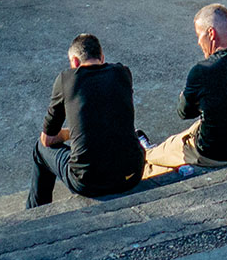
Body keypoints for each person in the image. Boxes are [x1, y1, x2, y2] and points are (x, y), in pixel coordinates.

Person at [142, 5, 227, 178]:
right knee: (195, 128)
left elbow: (184, 112)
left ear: (210, 34)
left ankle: (144, 153)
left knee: (165, 151)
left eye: (199, 35)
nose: (198, 42)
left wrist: (185, 95)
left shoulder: (202, 71)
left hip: (214, 153)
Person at [28, 33, 144, 207]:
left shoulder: (67, 79)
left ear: (74, 62)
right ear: (102, 57)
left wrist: (71, 133)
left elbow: (48, 139)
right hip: (133, 174)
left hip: (88, 182)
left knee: (40, 148)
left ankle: (36, 212)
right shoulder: (122, 72)